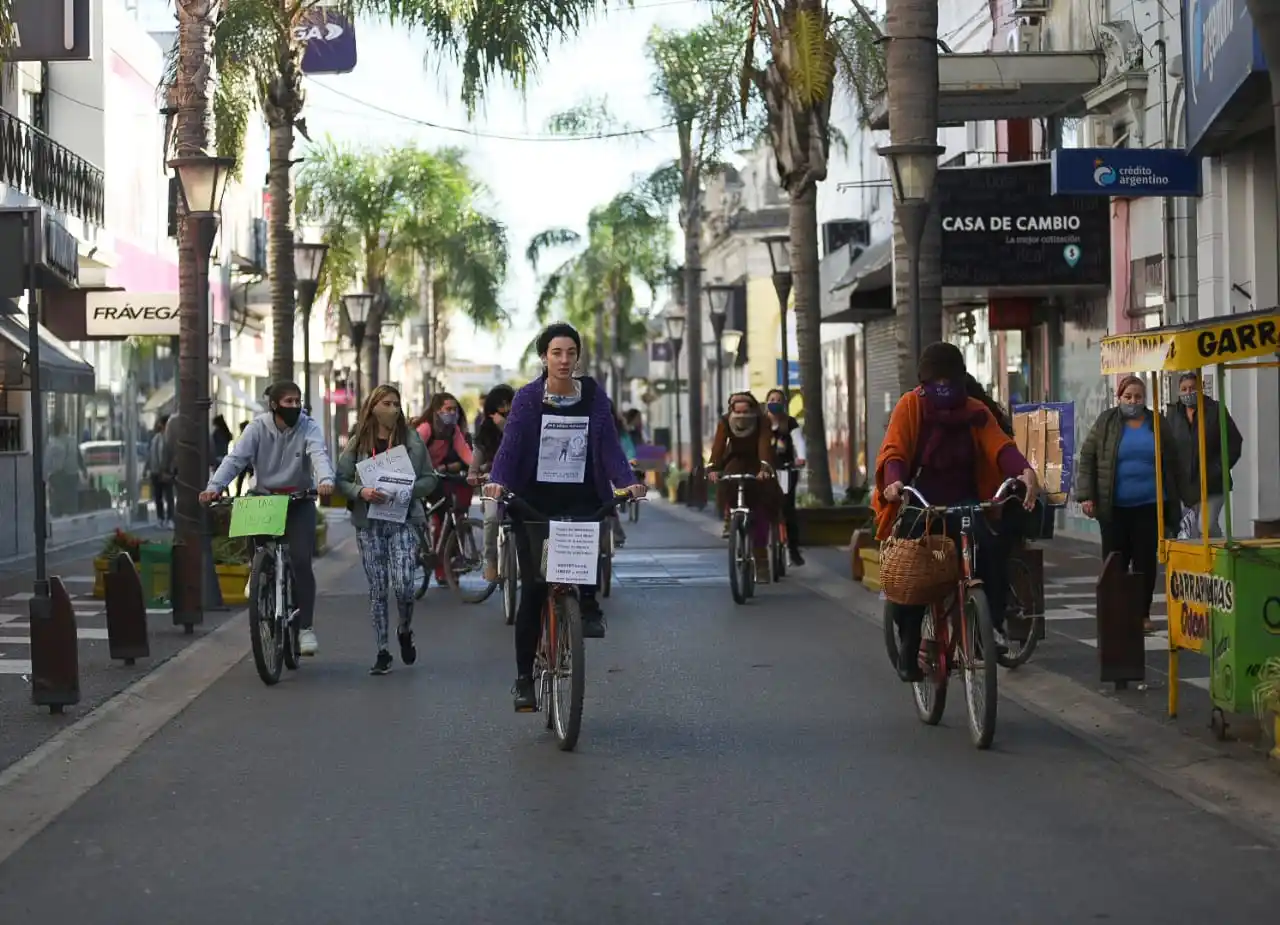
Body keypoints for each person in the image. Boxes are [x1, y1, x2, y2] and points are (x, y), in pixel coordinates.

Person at [483, 322, 645, 711]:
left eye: (571, 352)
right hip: (534, 502)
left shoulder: (592, 396)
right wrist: (497, 483)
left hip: (581, 497)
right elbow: (511, 447)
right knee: (535, 590)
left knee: (580, 566)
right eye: (556, 353)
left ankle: (585, 606)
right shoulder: (525, 399)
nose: (564, 360)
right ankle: (524, 679)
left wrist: (628, 481)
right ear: (544, 357)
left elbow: (607, 447)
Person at [872, 342, 1039, 682]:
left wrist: (1025, 472)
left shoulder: (976, 409)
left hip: (966, 501)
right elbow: (895, 451)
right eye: (937, 382)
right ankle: (909, 644)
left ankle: (988, 628)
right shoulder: (910, 406)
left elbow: (1000, 447)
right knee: (911, 575)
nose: (944, 388)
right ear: (923, 382)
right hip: (921, 501)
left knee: (990, 554)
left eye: (951, 380)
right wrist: (893, 482)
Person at [200, 381, 335, 656]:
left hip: (299, 500)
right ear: (274, 405)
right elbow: (236, 459)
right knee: (259, 550)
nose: (295, 406)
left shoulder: (308, 426)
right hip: (264, 497)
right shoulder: (257, 428)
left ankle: (305, 629)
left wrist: (325, 480)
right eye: (288, 401)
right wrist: (214, 487)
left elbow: (319, 454)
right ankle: (257, 572)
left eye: (298, 401)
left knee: (300, 560)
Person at [335, 385, 438, 675]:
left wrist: (408, 489)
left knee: (405, 585)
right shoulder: (358, 443)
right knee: (378, 589)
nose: (393, 409)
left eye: (396, 403)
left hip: (403, 520)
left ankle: (404, 629)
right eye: (387, 403)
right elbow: (341, 480)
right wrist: (362, 491)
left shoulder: (412, 440)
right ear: (373, 406)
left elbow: (431, 479)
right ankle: (382, 650)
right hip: (370, 524)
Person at [1076, 375, 1190, 633]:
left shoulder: (1156, 423)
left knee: (1145, 563)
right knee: (1114, 563)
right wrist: (1087, 496)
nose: (1133, 401)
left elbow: (1173, 461)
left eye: (1138, 397)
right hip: (1114, 507)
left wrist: (1186, 497)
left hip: (1149, 506)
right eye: (1128, 397)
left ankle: (1142, 614)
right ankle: (1116, 614)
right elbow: (1087, 457)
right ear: (1119, 397)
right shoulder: (1107, 422)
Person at [707, 392, 778, 581]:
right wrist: (713, 467)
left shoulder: (762, 421)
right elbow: (718, 446)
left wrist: (765, 468)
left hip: (757, 463)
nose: (741, 415)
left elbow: (764, 445)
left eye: (745, 411)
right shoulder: (724, 421)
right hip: (735, 460)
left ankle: (761, 561)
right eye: (737, 411)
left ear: (753, 410)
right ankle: (730, 514)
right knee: (728, 482)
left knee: (762, 506)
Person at [1166, 371, 1242, 539]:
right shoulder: (1173, 415)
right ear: (1179, 392)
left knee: (1206, 526)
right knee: (1189, 532)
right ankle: (1198, 565)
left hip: (1213, 482)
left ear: (1201, 389)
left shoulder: (1215, 411)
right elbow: (1168, 447)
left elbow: (1234, 443)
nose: (1188, 393)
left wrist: (1218, 467)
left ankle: (1220, 557)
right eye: (1184, 389)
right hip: (1186, 486)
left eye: (1192, 388)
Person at [415, 392, 474, 583]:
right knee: (438, 512)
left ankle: (444, 560)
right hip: (420, 475)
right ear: (436, 410)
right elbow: (411, 454)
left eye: (454, 409)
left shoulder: (452, 430)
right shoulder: (425, 428)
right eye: (447, 409)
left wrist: (476, 468)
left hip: (437, 476)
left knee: (448, 512)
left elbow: (465, 452)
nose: (452, 413)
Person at [468, 384, 515, 582]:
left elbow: (517, 442)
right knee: (492, 518)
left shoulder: (519, 426)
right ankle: (490, 561)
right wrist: (473, 473)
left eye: (508, 403)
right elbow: (477, 456)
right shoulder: (485, 430)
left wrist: (505, 425)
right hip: (492, 483)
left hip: (516, 482)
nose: (504, 408)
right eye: (500, 404)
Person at [764, 388, 806, 567]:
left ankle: (793, 549)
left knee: (788, 507)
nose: (775, 402)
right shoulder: (761, 424)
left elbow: (798, 441)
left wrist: (801, 457)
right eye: (772, 399)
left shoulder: (789, 423)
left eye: (778, 400)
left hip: (785, 470)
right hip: (764, 471)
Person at [145, 415, 174, 527]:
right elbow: (150, 455)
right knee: (158, 497)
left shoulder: (169, 438)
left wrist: (169, 470)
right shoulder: (155, 438)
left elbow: (171, 455)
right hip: (155, 472)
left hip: (166, 471)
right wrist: (147, 469)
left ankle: (170, 518)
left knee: (169, 496)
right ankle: (160, 518)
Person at [233, 421, 254, 496]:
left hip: (246, 464)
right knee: (248, 480)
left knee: (242, 480)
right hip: (249, 464)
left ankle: (238, 494)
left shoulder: (244, 438)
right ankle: (250, 493)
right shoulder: (245, 437)